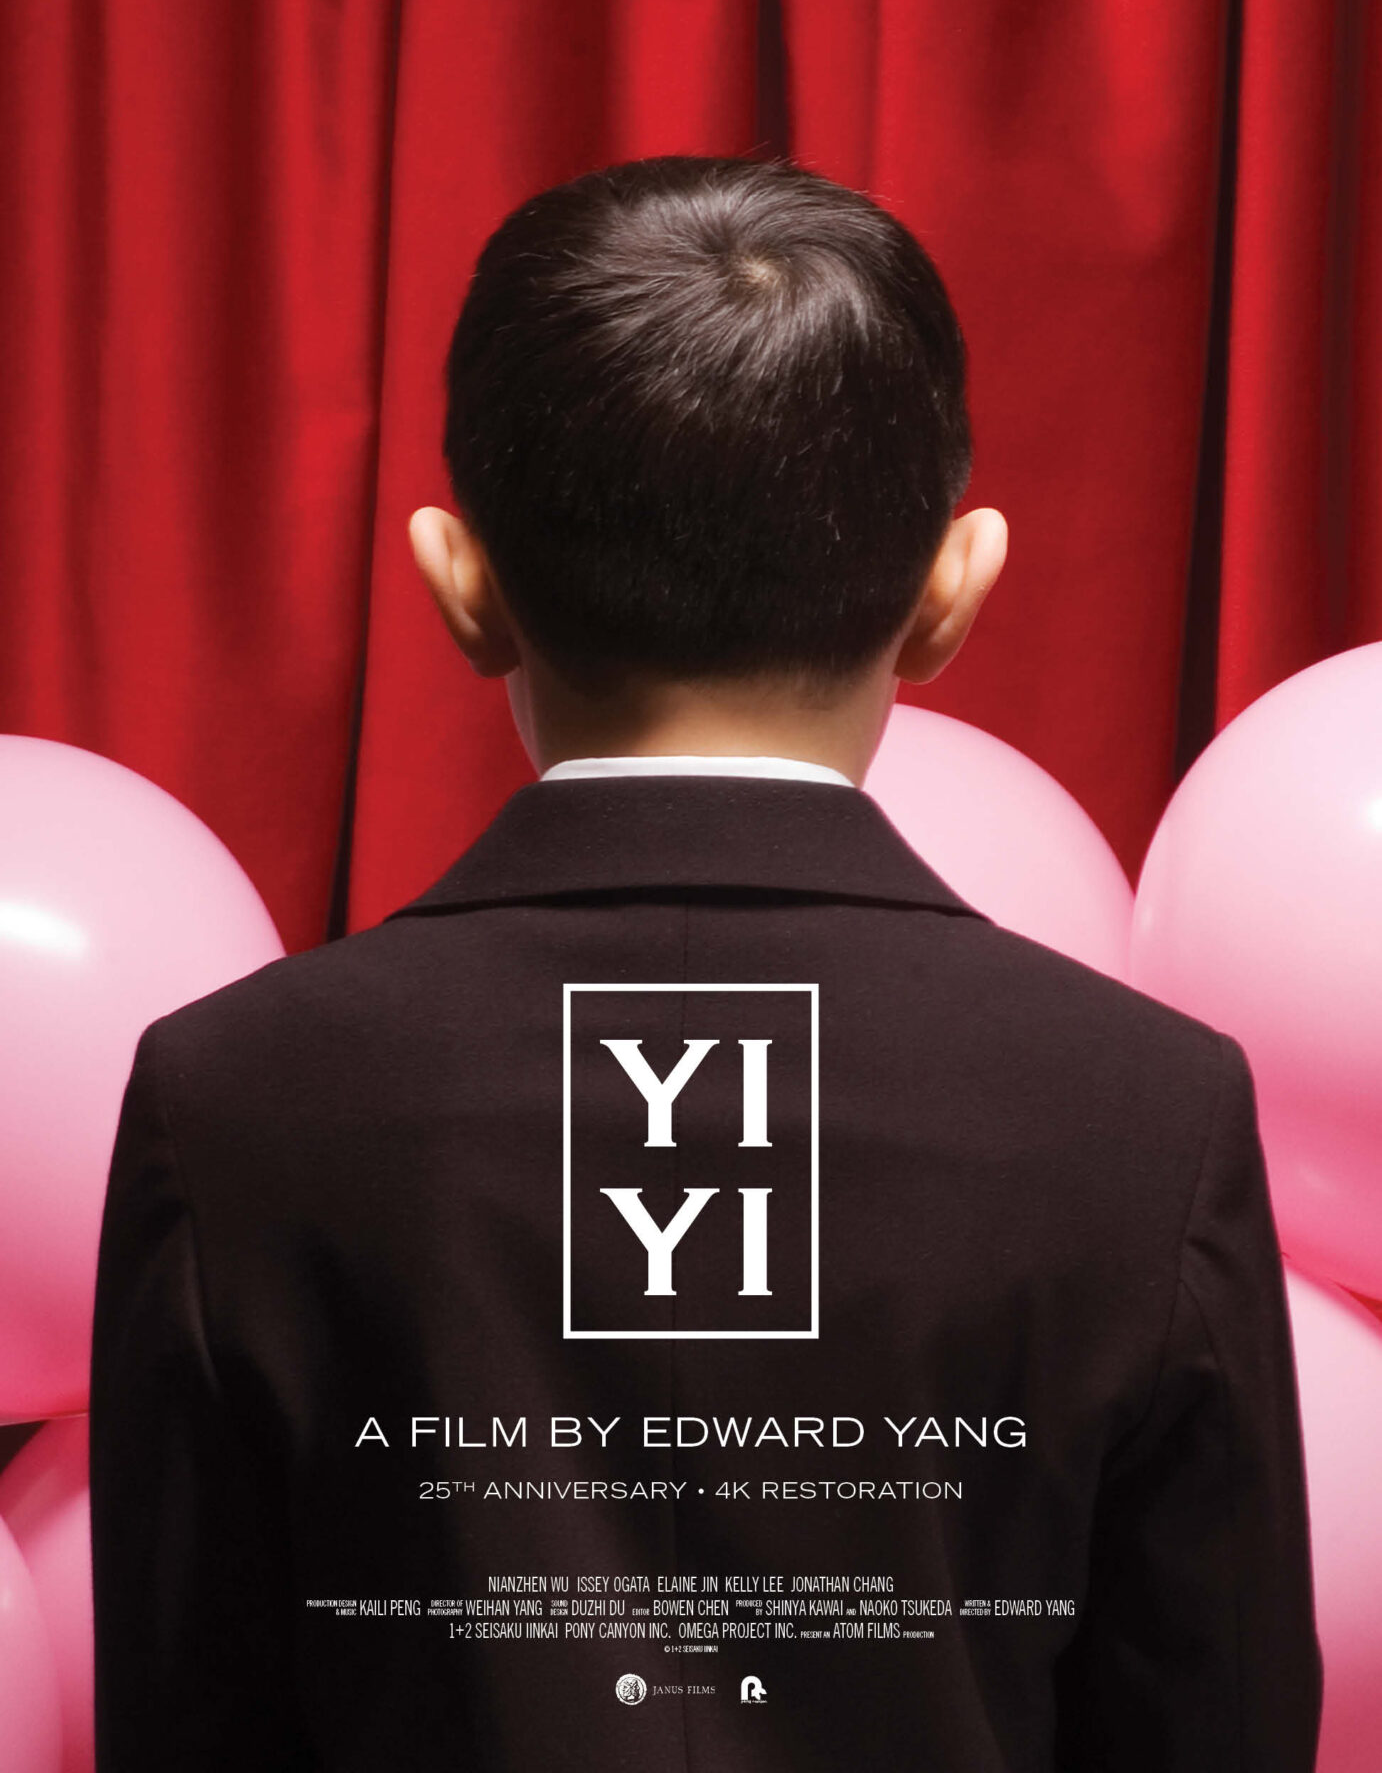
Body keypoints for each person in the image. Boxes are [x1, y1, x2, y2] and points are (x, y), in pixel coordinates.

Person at [88, 154, 1322, 1771]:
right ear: (952, 593)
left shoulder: (232, 1099)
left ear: (459, 584)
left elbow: (185, 1716)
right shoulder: (1146, 1109)